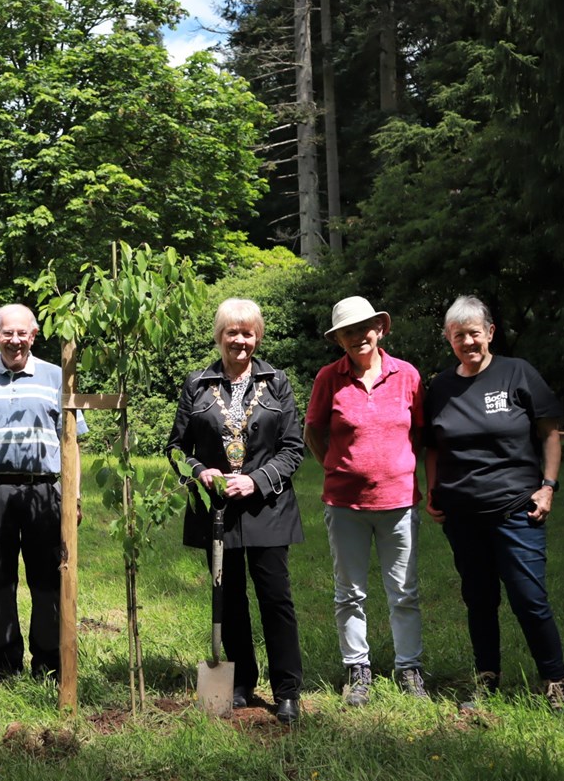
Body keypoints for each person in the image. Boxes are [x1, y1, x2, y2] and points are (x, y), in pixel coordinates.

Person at [424, 295, 564, 711]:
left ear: (490, 332)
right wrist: (433, 491)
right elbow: (433, 447)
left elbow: (549, 433)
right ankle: (487, 676)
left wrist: (548, 486)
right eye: (459, 336)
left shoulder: (518, 373)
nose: (468, 342)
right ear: (448, 339)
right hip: (461, 514)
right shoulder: (440, 387)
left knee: (529, 597)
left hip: (516, 509)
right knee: (479, 598)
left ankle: (556, 681)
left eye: (475, 333)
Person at [165, 298, 304, 725]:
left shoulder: (277, 382)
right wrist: (199, 470)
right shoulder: (197, 384)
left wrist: (257, 479)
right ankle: (242, 682)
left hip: (268, 507)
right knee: (229, 599)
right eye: (232, 332)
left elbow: (294, 448)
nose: (239, 341)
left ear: (257, 336)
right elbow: (174, 448)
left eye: (247, 333)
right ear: (219, 336)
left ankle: (287, 691)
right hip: (218, 511)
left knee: (275, 598)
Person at [304, 296, 426, 706]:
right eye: (348, 332)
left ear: (380, 329)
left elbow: (421, 433)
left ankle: (409, 669)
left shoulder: (407, 375)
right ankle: (358, 669)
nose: (358, 337)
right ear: (339, 340)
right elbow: (314, 432)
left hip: (399, 501)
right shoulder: (328, 378)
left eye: (364, 328)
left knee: (404, 591)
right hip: (345, 505)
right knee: (349, 592)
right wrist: (336, 467)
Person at [0, 304, 85, 679]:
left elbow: (72, 444)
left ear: (34, 336)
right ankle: (4, 660)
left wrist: (74, 496)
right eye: (8, 333)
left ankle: (48, 661)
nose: (15, 340)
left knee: (47, 578)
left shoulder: (56, 376)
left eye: (23, 333)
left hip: (44, 492)